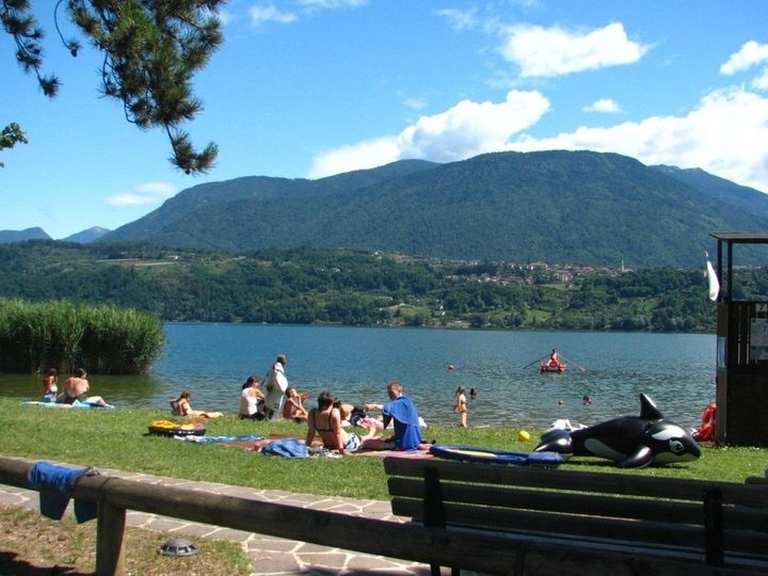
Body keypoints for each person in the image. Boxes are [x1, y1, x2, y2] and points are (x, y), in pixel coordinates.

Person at [363, 381, 425, 451]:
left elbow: (387, 407)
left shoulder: (401, 403)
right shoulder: (407, 402)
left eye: (392, 392)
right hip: (415, 441)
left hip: (404, 444)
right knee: (385, 439)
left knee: (366, 443)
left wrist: (374, 406)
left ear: (400, 391)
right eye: (388, 393)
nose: (390, 395)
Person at [264, 353, 288, 421]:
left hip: (271, 390)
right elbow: (277, 379)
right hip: (276, 391)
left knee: (269, 405)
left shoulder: (274, 367)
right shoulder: (278, 369)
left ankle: (267, 419)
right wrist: (282, 389)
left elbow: (268, 378)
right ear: (284, 361)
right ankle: (271, 420)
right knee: (274, 407)